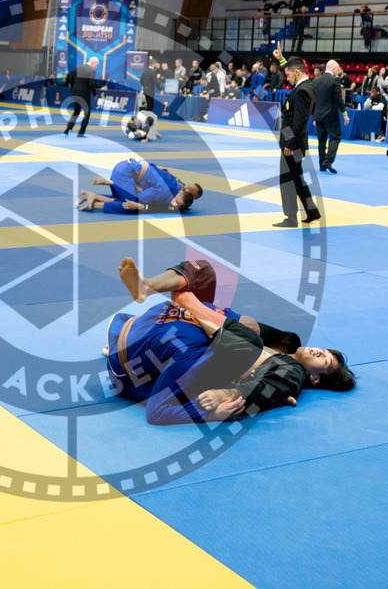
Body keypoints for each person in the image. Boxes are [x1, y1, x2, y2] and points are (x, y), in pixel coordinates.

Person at [105, 257, 354, 424]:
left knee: (248, 341)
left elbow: (263, 391)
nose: (320, 352)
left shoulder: (293, 373)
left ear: (315, 378)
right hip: (161, 338)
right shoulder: (286, 343)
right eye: (325, 351)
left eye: (326, 362)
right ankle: (146, 287)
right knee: (203, 271)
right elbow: (245, 326)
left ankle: (182, 306)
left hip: (190, 356)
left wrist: (226, 395)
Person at [271, 43, 320, 227]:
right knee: (297, 177)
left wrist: (290, 145)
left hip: (293, 144)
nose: (287, 78)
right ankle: (311, 210)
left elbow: (299, 121)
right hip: (296, 141)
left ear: (297, 73)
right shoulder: (307, 86)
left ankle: (290, 218)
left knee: (287, 179)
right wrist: (281, 59)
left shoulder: (301, 91)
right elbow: (292, 68)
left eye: (289, 75)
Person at [78, 158, 201, 214]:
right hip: (126, 174)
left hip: (126, 169)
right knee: (131, 205)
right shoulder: (168, 190)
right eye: (189, 187)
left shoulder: (174, 184)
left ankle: (91, 195)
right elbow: (145, 202)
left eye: (190, 191)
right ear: (181, 191)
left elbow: (152, 168)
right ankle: (96, 205)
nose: (187, 188)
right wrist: (139, 205)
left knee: (123, 198)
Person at [313, 59, 349, 173]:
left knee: (321, 140)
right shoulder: (335, 80)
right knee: (336, 137)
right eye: (338, 69)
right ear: (334, 68)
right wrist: (344, 114)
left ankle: (322, 164)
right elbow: (339, 99)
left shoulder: (316, 81)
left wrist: (314, 116)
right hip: (330, 115)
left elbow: (313, 100)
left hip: (318, 115)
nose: (338, 71)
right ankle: (328, 161)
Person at [64, 57, 99, 137]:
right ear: (93, 62)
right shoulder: (91, 71)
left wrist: (74, 90)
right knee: (87, 114)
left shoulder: (78, 68)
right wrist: (95, 93)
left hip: (75, 94)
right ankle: (81, 132)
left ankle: (68, 128)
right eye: (96, 65)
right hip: (84, 95)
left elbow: (70, 80)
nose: (96, 67)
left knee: (76, 111)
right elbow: (91, 83)